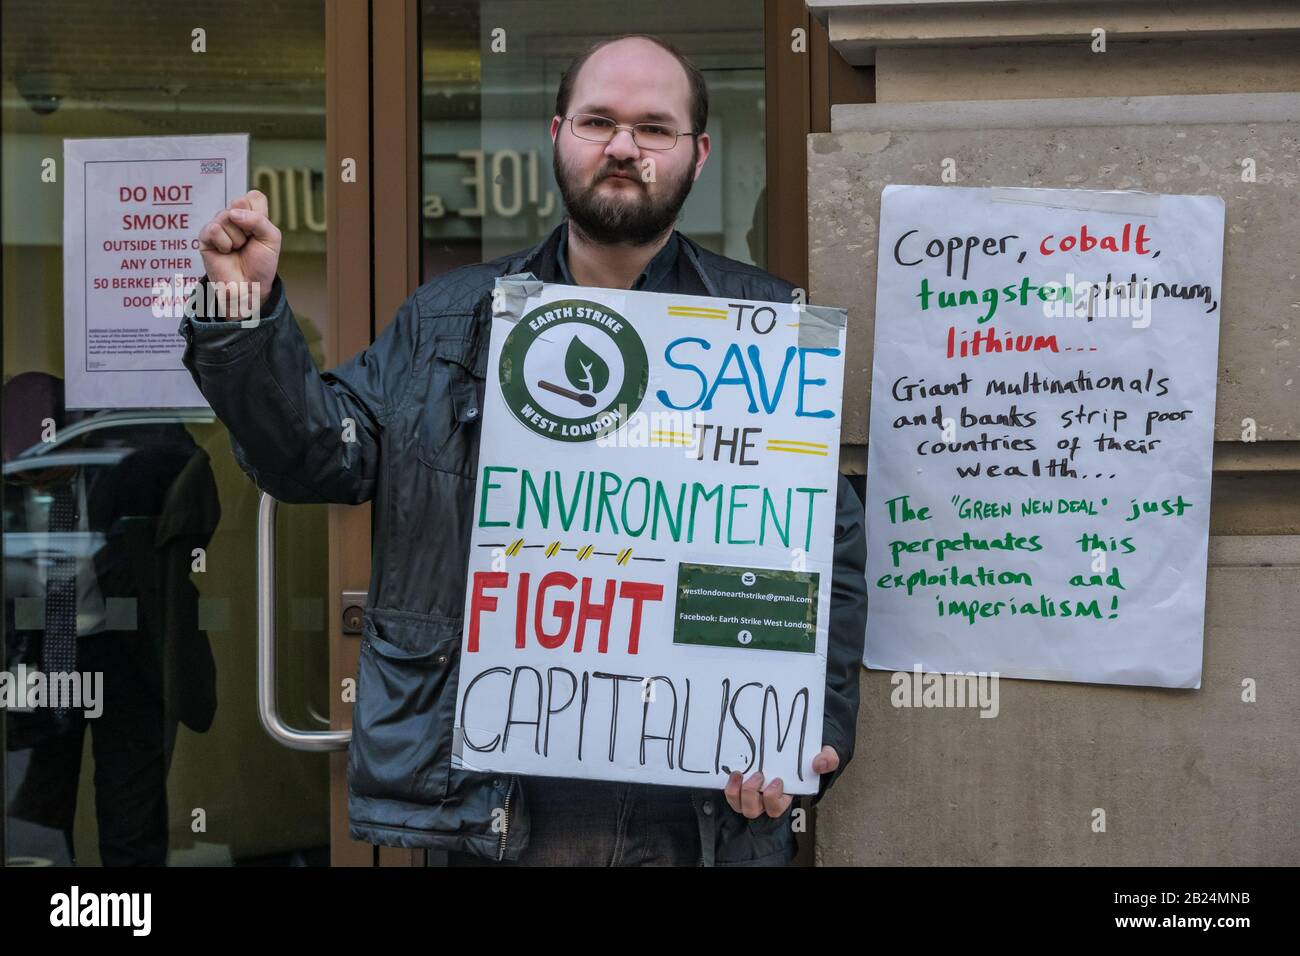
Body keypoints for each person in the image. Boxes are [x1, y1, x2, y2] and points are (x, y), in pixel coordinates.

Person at [180, 33, 867, 866]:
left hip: (698, 814)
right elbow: (315, 455)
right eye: (598, 121)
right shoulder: (448, 323)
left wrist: (802, 736)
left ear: (698, 153)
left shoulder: (766, 333)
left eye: (655, 128)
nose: (623, 147)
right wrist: (247, 311)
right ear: (556, 136)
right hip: (497, 809)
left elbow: (824, 551)